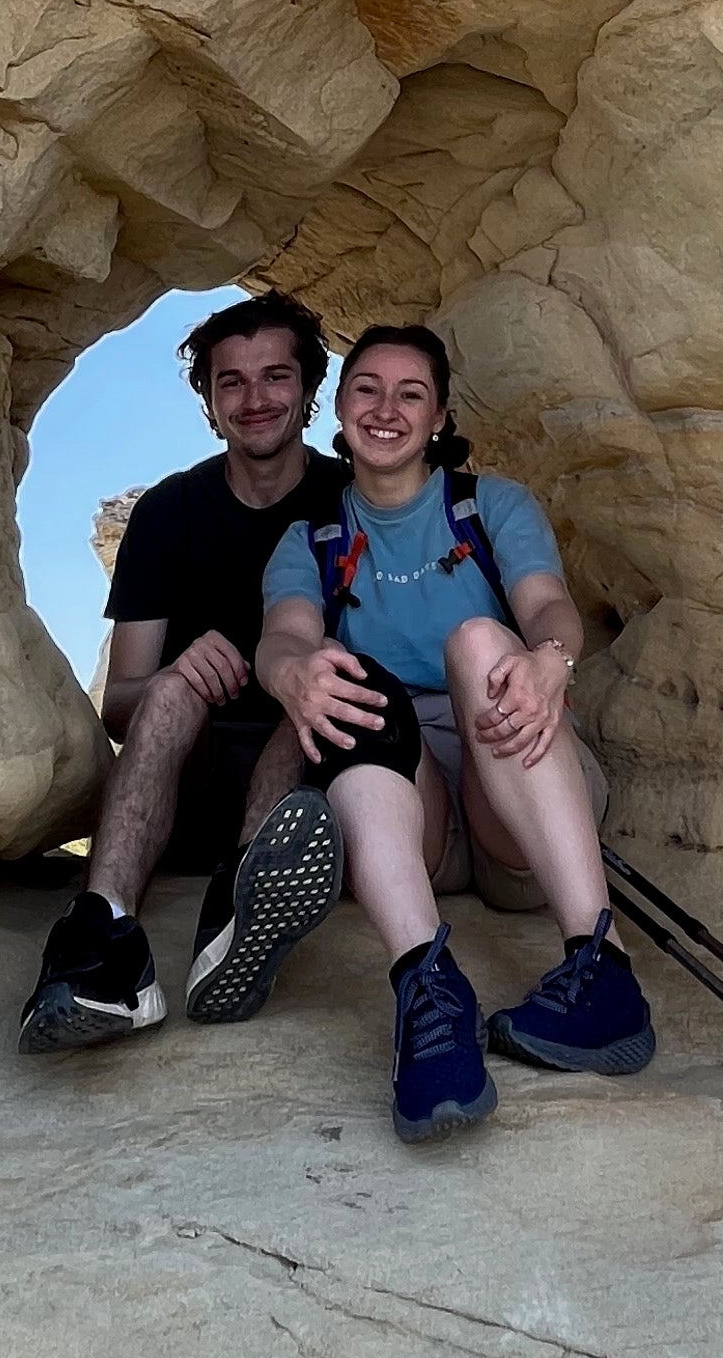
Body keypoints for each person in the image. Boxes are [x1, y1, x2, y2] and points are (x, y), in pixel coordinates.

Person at [257, 322, 655, 1146]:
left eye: (412, 394)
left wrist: (551, 659)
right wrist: (292, 671)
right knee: (341, 671)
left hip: (516, 794)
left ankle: (601, 969)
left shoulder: (488, 505)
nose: (387, 409)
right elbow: (286, 635)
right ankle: (427, 993)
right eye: (367, 388)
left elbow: (545, 606)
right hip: (416, 821)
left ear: (439, 416)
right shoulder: (313, 540)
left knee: (479, 640)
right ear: (338, 405)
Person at [18, 296, 349, 1052]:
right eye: (230, 382)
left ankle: (241, 914)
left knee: (315, 692)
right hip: (189, 784)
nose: (254, 399)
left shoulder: (349, 501)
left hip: (305, 791)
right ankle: (101, 936)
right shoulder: (168, 514)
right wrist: (181, 668)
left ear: (307, 392)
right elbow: (121, 704)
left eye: (275, 377)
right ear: (208, 402)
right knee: (168, 688)